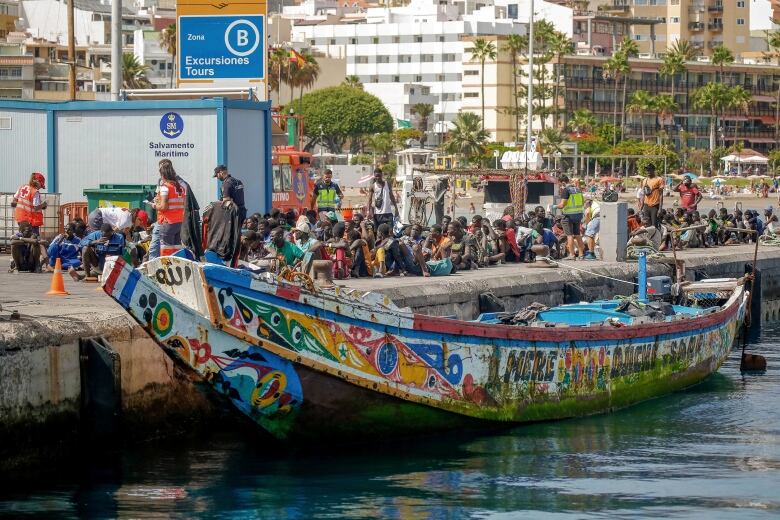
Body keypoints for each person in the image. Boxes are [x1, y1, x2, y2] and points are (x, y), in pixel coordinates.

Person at [151, 159, 187, 252]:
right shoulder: (180, 187)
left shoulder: (165, 187)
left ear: (163, 175)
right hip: (179, 222)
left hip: (168, 222)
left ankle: (165, 267)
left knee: (166, 252)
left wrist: (154, 206)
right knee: (176, 250)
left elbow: (163, 207)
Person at [556, 174, 586, 260]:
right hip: (578, 215)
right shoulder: (578, 189)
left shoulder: (566, 190)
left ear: (563, 182)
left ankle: (572, 255)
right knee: (577, 234)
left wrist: (554, 206)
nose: (560, 186)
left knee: (569, 235)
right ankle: (581, 255)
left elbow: (562, 205)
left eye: (560, 184)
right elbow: (583, 202)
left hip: (568, 216)